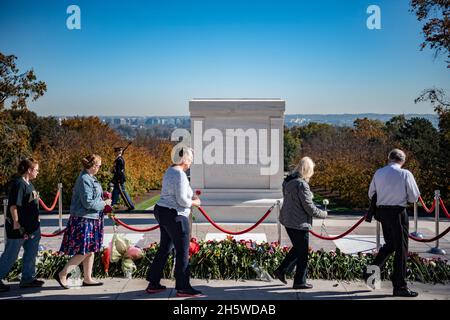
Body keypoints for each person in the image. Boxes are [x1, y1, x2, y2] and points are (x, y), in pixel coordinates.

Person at [146, 147, 203, 297]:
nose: (190, 163)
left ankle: (154, 282)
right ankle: (183, 287)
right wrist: (196, 202)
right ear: (184, 159)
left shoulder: (170, 170)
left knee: (165, 248)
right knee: (182, 251)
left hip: (163, 211)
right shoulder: (180, 174)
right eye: (190, 160)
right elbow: (182, 200)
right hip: (175, 215)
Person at [366, 149, 420, 297]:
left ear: (389, 158)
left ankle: (370, 273)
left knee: (390, 245)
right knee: (401, 250)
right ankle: (400, 286)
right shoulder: (405, 174)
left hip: (383, 213)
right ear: (402, 160)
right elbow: (414, 197)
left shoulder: (379, 172)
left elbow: (371, 194)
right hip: (397, 213)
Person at [55, 154, 111, 289]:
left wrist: (102, 196)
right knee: (84, 251)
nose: (99, 168)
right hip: (83, 219)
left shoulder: (90, 177)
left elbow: (92, 197)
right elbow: (88, 203)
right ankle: (63, 273)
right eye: (98, 165)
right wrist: (104, 203)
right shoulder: (84, 179)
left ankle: (88, 278)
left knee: (90, 250)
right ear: (92, 166)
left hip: (91, 218)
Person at [274, 156, 327, 289]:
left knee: (298, 249)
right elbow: (309, 207)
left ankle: (282, 270)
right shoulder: (302, 185)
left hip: (288, 220)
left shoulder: (288, 181)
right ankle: (299, 281)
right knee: (303, 254)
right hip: (299, 223)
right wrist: (323, 214)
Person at [0, 158, 44, 292]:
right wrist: (16, 223)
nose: (38, 172)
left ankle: (27, 279)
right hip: (19, 227)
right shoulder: (19, 184)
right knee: (11, 255)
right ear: (29, 170)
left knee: (31, 253)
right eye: (36, 169)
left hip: (32, 228)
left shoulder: (30, 184)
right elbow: (13, 206)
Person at [111, 146, 135, 211]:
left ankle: (131, 205)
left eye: (116, 151)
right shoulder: (118, 159)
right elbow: (116, 170)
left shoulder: (119, 160)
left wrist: (116, 180)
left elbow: (119, 172)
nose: (115, 153)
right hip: (118, 179)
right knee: (115, 193)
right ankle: (112, 205)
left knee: (123, 192)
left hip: (119, 180)